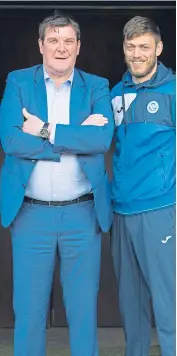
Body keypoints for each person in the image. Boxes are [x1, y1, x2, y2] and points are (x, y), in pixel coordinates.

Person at [0, 11, 114, 356]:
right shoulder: (19, 82)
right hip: (31, 215)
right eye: (53, 40)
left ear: (78, 47)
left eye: (67, 41)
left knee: (82, 313)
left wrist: (47, 130)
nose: (60, 48)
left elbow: (102, 139)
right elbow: (11, 140)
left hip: (82, 214)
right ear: (41, 45)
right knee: (29, 313)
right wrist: (75, 139)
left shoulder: (96, 86)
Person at [110, 16, 176, 356]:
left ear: (159, 49)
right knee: (131, 306)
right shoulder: (116, 94)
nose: (137, 54)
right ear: (124, 49)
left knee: (169, 304)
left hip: (160, 210)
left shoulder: (172, 91)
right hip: (122, 210)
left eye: (144, 47)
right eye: (131, 47)